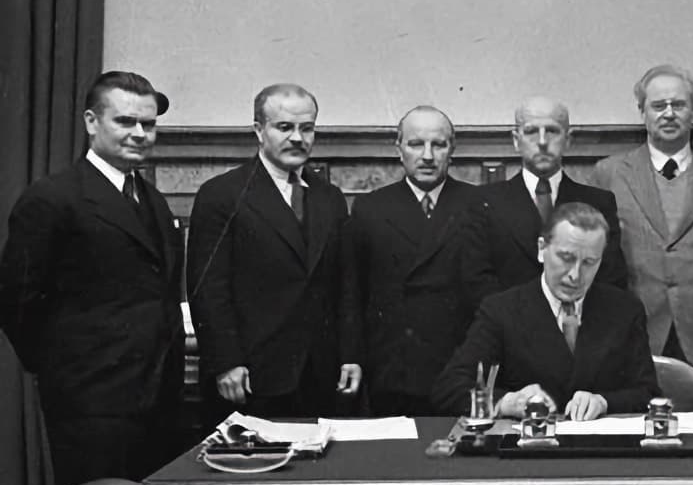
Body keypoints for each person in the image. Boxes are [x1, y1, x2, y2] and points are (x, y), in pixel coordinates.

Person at [0, 70, 186, 485]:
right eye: (125, 121)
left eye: (148, 124)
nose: (139, 134)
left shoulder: (153, 201)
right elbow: (16, 301)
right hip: (91, 403)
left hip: (159, 396)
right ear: (91, 122)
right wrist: (68, 369)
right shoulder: (52, 198)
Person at [186, 83, 360, 422]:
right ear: (259, 130)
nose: (297, 138)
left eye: (306, 128)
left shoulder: (330, 199)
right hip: (251, 376)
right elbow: (208, 290)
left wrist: (350, 355)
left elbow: (346, 286)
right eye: (284, 127)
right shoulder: (222, 195)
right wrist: (226, 362)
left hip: (320, 376)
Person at [591, 64, 693, 397]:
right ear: (642, 112)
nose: (668, 114)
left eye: (678, 105)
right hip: (638, 327)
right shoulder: (609, 174)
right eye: (658, 105)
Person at [434, 202, 659, 421]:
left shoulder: (624, 310)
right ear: (542, 249)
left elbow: (648, 392)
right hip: (527, 442)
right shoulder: (502, 310)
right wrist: (507, 402)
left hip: (600, 443)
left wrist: (604, 402)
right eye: (566, 258)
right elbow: (449, 389)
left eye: (589, 262)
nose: (575, 275)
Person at [345, 105, 475, 416]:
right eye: (416, 144)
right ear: (399, 149)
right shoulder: (371, 208)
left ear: (452, 150)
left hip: (459, 368)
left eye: (438, 145)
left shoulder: (478, 204)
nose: (427, 156)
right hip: (393, 368)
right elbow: (352, 293)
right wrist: (352, 356)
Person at [458, 96, 626, 310]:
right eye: (531, 132)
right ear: (516, 140)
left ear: (568, 140)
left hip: (578, 323)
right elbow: (476, 279)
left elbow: (610, 277)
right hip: (508, 324)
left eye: (552, 131)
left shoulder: (598, 202)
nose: (543, 141)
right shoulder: (484, 202)